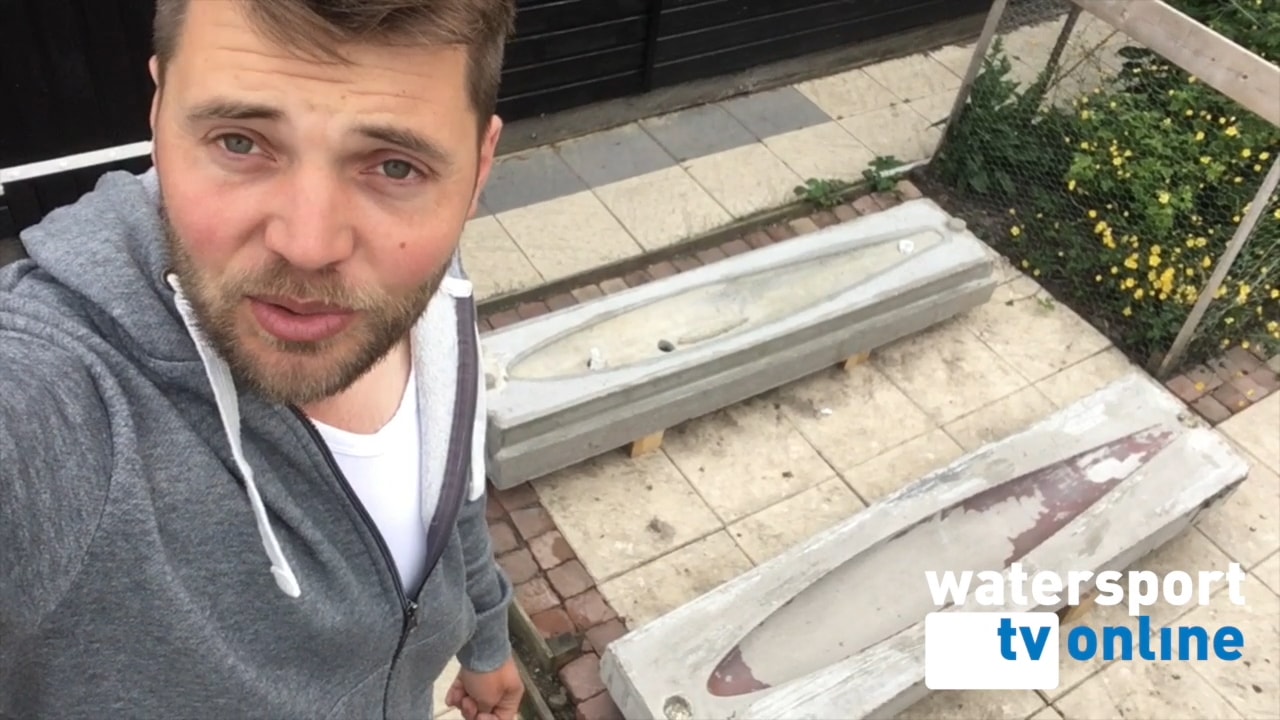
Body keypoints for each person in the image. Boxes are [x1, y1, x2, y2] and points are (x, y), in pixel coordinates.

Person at [0, 0, 526, 718]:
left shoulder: (432, 281)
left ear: (477, 167)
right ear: (156, 115)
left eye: (394, 165)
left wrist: (487, 637)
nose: (308, 246)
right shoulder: (53, 391)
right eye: (240, 142)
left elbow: (453, 482)